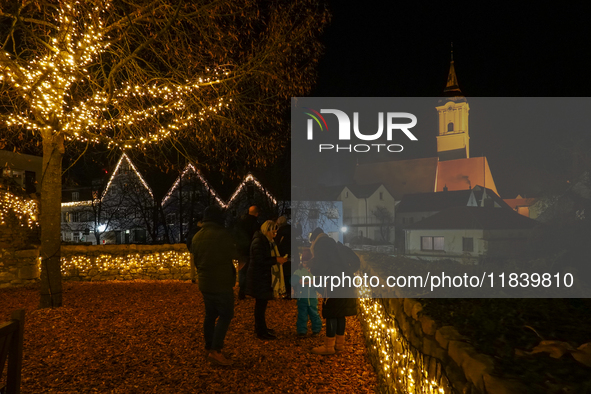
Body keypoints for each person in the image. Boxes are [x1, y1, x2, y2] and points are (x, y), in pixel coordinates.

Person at [190, 206, 237, 366]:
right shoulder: (223, 235)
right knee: (226, 315)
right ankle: (216, 351)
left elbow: (196, 261)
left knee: (210, 315)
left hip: (205, 282)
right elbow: (234, 254)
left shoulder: (197, 237)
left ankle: (209, 347)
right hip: (221, 282)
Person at [307, 227, 358, 355]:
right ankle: (339, 345)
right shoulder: (334, 244)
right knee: (340, 313)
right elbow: (355, 263)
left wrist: (311, 267)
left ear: (314, 239)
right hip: (346, 282)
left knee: (331, 313)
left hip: (333, 284)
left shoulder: (320, 246)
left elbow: (320, 268)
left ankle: (329, 347)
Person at [246, 220, 288, 340]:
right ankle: (261, 331)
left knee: (261, 305)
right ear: (267, 230)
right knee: (260, 305)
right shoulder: (259, 241)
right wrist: (276, 260)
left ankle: (261, 328)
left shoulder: (264, 241)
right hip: (259, 277)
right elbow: (260, 260)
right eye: (274, 232)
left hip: (261, 277)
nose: (275, 235)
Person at [293, 249, 322, 337]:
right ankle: (302, 330)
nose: (305, 265)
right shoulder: (298, 272)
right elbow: (294, 280)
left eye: (307, 263)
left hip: (312, 297)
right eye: (304, 263)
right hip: (302, 297)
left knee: (314, 313)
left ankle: (316, 329)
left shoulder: (314, 272)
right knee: (302, 314)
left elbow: (318, 281)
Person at [235, 206, 260, 300]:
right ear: (256, 213)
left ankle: (242, 291)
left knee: (242, 271)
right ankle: (250, 291)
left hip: (241, 251)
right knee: (252, 271)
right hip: (251, 250)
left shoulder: (241, 222)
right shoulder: (255, 224)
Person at [274, 216, 292, 299]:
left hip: (284, 254)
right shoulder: (291, 230)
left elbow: (277, 243)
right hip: (292, 254)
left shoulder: (281, 232)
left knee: (285, 273)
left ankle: (287, 292)